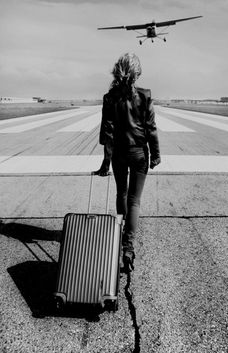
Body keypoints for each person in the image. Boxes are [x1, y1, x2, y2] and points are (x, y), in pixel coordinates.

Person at [94, 53, 161, 272]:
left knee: (121, 194)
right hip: (139, 153)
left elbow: (107, 133)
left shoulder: (109, 97)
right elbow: (150, 128)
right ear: (136, 72)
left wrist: (105, 162)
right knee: (134, 200)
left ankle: (119, 232)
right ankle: (128, 247)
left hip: (119, 154)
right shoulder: (145, 95)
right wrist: (156, 154)